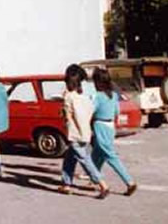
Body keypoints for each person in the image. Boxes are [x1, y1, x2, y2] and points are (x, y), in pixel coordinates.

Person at [59, 64, 110, 198]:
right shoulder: (84, 97)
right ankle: (66, 183)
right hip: (84, 132)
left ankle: (102, 184)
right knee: (69, 159)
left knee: (85, 160)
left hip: (75, 134)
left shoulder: (68, 97)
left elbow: (66, 115)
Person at [91, 68, 138, 196]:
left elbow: (91, 110)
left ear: (98, 82)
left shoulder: (97, 96)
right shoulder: (113, 95)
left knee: (110, 156)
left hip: (100, 125)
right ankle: (94, 178)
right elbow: (117, 111)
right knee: (97, 154)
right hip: (111, 126)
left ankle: (129, 181)